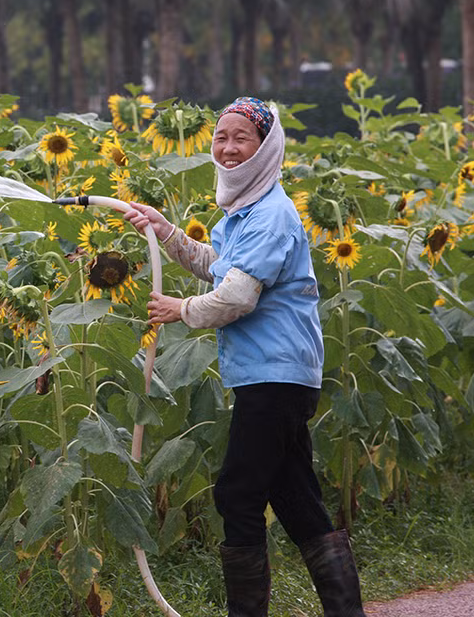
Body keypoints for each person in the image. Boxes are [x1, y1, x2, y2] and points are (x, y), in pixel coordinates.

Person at [123, 97, 365, 617]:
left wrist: (180, 309)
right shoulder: (246, 212)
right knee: (297, 500)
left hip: (274, 375)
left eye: (242, 139)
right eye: (221, 137)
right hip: (276, 375)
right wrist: (166, 232)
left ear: (265, 148)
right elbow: (221, 269)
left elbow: (236, 298)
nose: (228, 149)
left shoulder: (271, 214)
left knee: (238, 494)